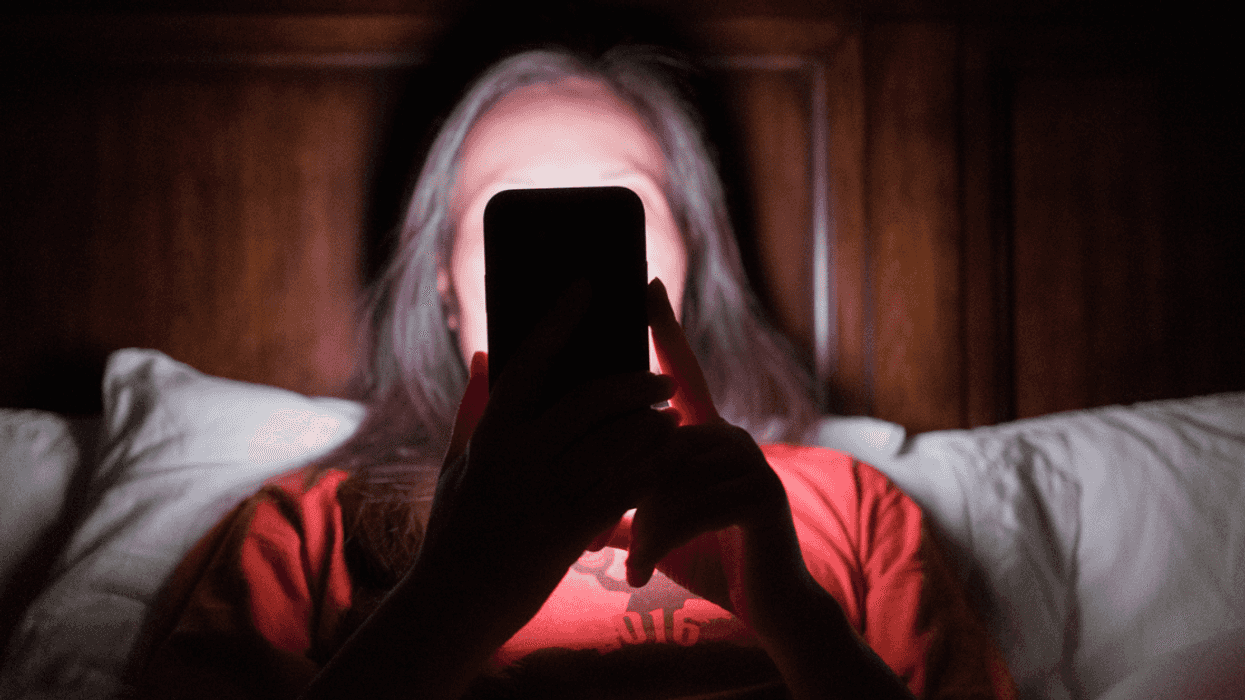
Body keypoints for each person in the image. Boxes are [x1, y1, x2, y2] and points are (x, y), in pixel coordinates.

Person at [128, 46, 1015, 700]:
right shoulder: (305, 526)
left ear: (692, 259)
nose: (576, 280)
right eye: (519, 222)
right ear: (445, 285)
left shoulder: (847, 507)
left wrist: (792, 616)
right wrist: (453, 597)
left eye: (613, 209)